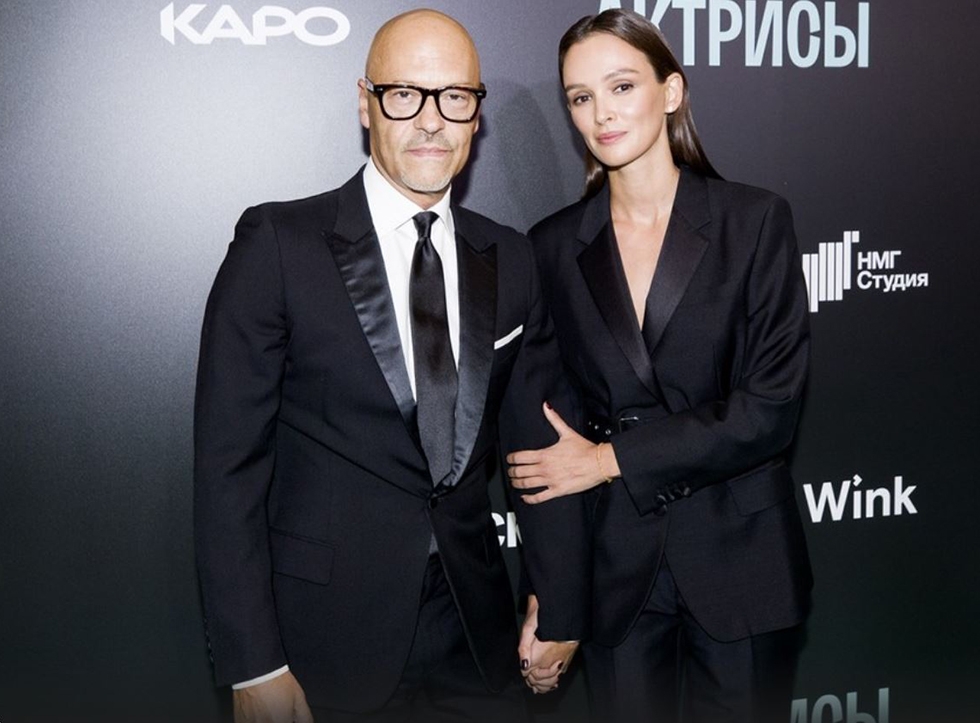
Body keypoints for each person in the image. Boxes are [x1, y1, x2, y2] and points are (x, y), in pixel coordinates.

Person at [194, 9, 588, 722]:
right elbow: (229, 469)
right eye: (405, 94)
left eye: (454, 97)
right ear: (365, 102)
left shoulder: (511, 257)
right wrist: (254, 661)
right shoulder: (279, 244)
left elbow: (541, 451)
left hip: (479, 641)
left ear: (476, 115)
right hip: (322, 644)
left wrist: (558, 603)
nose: (431, 120)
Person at [507, 9, 813, 722]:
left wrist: (610, 458)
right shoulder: (552, 247)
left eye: (621, 86)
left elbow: (770, 408)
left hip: (742, 562)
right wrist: (552, 595)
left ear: (671, 91)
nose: (602, 114)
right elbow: (546, 442)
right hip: (617, 572)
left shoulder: (753, 222)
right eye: (581, 97)